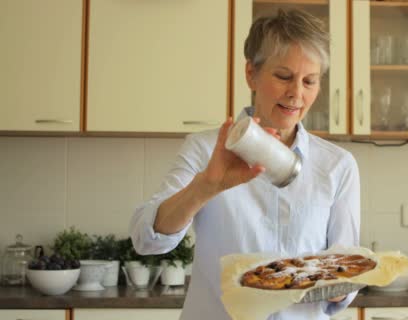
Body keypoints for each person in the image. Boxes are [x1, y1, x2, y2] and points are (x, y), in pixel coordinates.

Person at [129, 9, 360, 320]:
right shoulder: (205, 148)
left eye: (310, 81)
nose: (297, 93)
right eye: (283, 76)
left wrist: (345, 283)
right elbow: (147, 241)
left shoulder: (337, 166)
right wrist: (206, 187)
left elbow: (344, 271)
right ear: (251, 73)